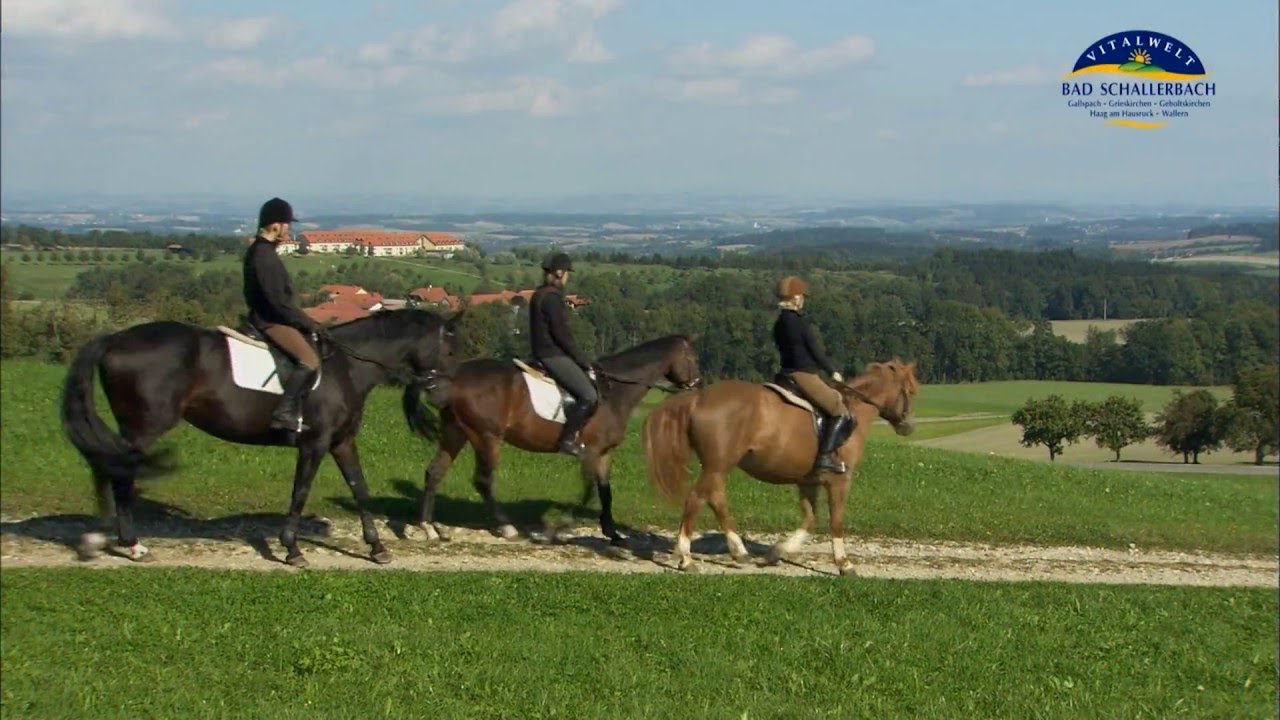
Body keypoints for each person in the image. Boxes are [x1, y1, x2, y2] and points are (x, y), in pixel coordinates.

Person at [243, 197, 324, 433]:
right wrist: (306, 322)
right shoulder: (263, 255)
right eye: (287, 224)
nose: (289, 229)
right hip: (271, 321)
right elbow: (277, 302)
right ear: (275, 225)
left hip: (272, 316)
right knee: (310, 361)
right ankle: (285, 413)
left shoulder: (262, 250)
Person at [772, 276, 855, 474]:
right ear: (795, 298)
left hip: (785, 372)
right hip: (804, 374)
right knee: (839, 410)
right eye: (801, 296)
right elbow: (814, 350)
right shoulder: (799, 323)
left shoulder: (779, 323)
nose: (803, 299)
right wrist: (832, 371)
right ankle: (824, 457)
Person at [529, 252, 598, 457]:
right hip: (553, 355)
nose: (567, 276)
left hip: (541, 351)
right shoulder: (551, 298)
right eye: (567, 272)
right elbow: (562, 336)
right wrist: (582, 361)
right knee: (589, 394)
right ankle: (568, 440)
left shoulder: (539, 293)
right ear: (559, 273)